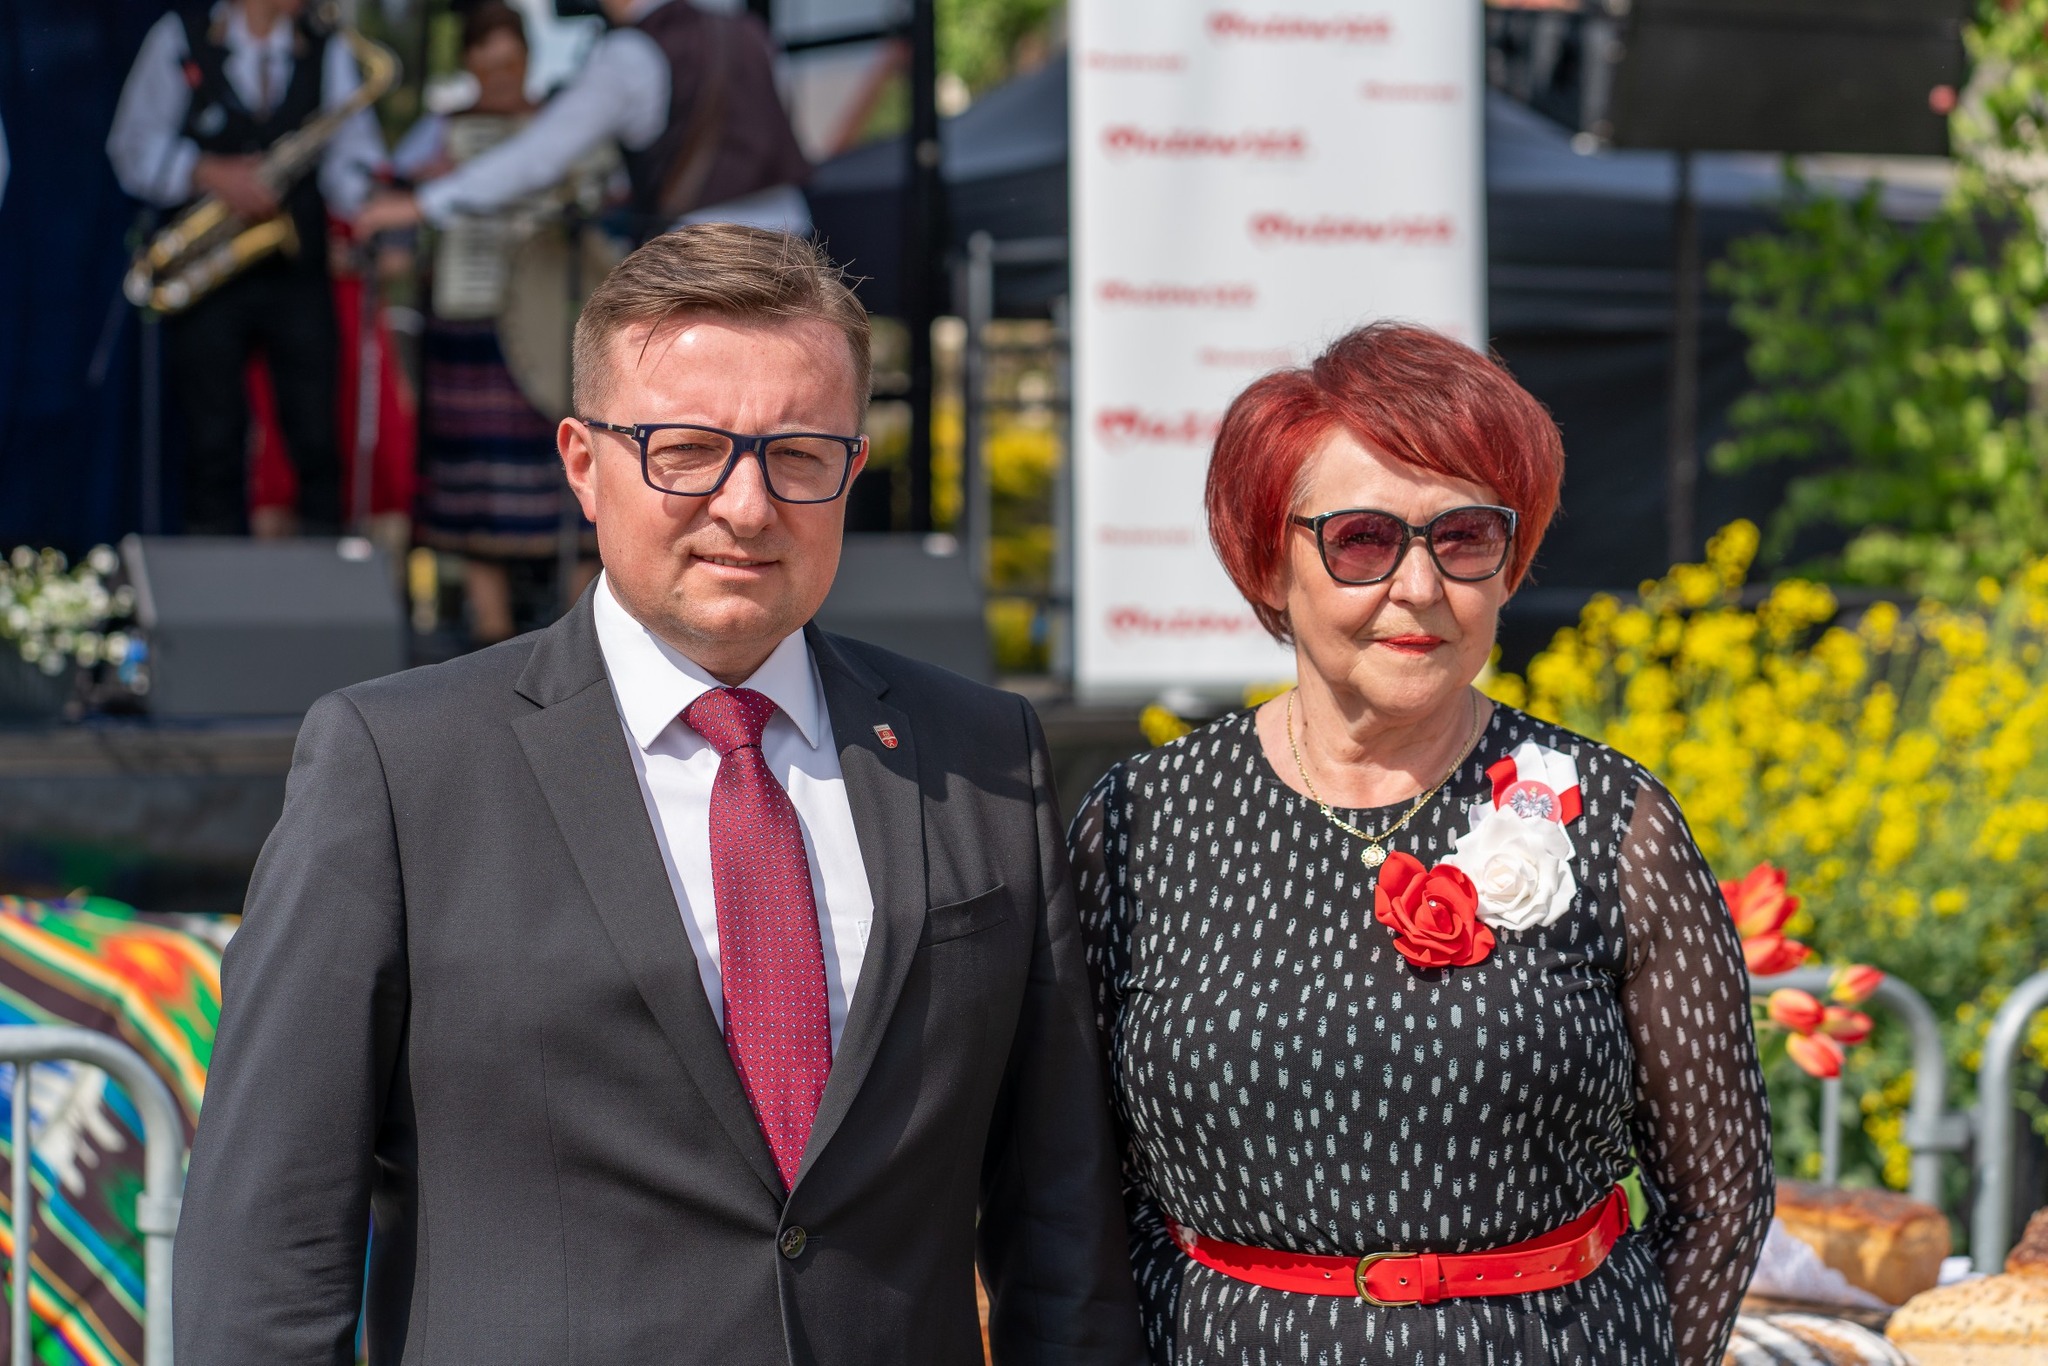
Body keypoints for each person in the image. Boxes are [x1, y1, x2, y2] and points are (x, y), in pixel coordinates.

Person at [174, 224, 1148, 1365]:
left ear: (852, 469)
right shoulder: (398, 767)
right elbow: (265, 1248)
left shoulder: (981, 757)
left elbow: (1060, 1232)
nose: (747, 505)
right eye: (685, 450)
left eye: (798, 454)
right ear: (583, 464)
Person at [1069, 322, 1772, 1366]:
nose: (1418, 586)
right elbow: (1067, 1185)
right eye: (1362, 539)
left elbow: (1720, 1195)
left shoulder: (1615, 820)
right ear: (1268, 560)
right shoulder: (1143, 821)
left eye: (1464, 537)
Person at [107, 0, 386, 536]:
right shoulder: (179, 37)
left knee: (316, 431)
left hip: (296, 269)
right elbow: (133, 145)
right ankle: (210, 570)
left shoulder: (325, 46)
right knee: (211, 436)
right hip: (209, 270)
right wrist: (208, 171)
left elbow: (353, 156)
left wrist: (375, 197)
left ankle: (323, 567)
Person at [391, 1, 593, 642]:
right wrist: (427, 181)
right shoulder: (440, 129)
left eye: (510, 65)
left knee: (567, 470)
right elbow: (392, 196)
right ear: (468, 67)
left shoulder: (564, 124)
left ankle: (582, 635)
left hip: (546, 318)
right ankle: (491, 632)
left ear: (528, 60)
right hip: (470, 318)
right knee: (472, 478)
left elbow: (599, 197)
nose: (501, 80)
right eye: (487, 67)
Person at [352, 0, 811, 244]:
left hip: (705, 254)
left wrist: (422, 203)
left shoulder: (629, 54)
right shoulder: (749, 31)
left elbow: (538, 158)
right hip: (794, 242)